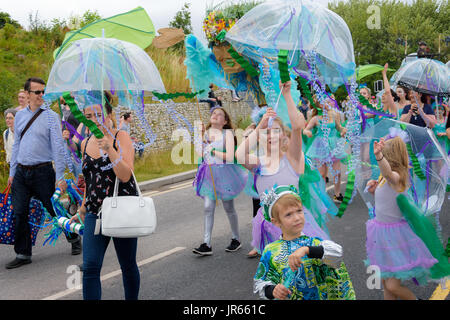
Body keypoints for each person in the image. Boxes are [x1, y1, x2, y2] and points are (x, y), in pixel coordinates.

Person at [236, 81, 336, 255]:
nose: (271, 135)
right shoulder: (258, 163)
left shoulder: (293, 158)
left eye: (275, 130)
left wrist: (288, 94)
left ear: (283, 135)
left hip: (296, 224)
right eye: (266, 132)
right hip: (270, 225)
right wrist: (261, 125)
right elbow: (238, 155)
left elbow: (298, 126)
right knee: (278, 273)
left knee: (301, 270)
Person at [69, 93, 140, 300]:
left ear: (109, 113)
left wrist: (110, 148)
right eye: (88, 115)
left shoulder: (121, 137)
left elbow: (126, 175)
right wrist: (82, 209)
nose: (94, 120)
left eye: (98, 114)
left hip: (121, 208)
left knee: (127, 265)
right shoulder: (85, 143)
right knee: (90, 267)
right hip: (95, 212)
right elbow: (90, 181)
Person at [5, 77, 81, 269]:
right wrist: (12, 172)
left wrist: (60, 178)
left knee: (54, 210)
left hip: (43, 172)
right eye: (37, 92)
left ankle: (73, 238)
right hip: (22, 173)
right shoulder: (20, 116)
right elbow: (17, 146)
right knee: (19, 212)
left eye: (43, 92)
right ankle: (23, 253)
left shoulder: (51, 117)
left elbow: (58, 148)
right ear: (28, 94)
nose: (41, 95)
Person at [365, 137, 439, 300]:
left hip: (394, 237)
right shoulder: (384, 178)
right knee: (386, 283)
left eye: (384, 154)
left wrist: (378, 156)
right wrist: (374, 190)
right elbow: (386, 200)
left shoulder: (397, 177)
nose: (381, 156)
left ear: (390, 157)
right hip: (380, 232)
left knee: (393, 285)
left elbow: (387, 172)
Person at [253, 185, 356, 300]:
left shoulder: (315, 243)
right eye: (288, 214)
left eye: (299, 211)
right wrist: (273, 290)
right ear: (276, 222)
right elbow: (261, 281)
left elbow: (337, 254)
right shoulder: (271, 251)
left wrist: (307, 250)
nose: (297, 218)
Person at [192, 107, 246, 255]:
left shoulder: (227, 134)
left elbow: (229, 157)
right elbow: (199, 153)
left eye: (219, 114)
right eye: (213, 113)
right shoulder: (206, 134)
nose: (215, 115)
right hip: (209, 174)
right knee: (208, 207)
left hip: (224, 173)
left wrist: (213, 150)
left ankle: (236, 238)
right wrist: (199, 135)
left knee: (228, 207)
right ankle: (206, 243)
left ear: (225, 121)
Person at [303, 96, 347, 202]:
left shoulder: (334, 115)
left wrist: (343, 131)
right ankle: (322, 195)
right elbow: (306, 129)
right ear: (319, 105)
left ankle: (337, 194)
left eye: (329, 102)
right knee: (322, 174)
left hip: (333, 144)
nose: (328, 104)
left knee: (337, 172)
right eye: (325, 103)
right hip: (320, 146)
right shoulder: (315, 119)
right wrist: (307, 132)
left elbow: (339, 127)